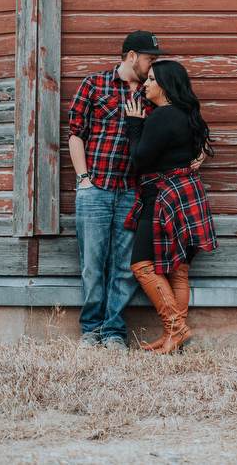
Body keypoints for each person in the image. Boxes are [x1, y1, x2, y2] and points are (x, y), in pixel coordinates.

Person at [68, 29, 168, 354]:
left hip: (131, 192)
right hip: (95, 188)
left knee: (124, 267)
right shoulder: (94, 85)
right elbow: (75, 134)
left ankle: (113, 332)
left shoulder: (152, 93)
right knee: (92, 264)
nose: (153, 64)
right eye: (149, 58)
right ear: (131, 57)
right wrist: (84, 178)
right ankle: (91, 330)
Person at [124, 59, 218, 354]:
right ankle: (171, 336)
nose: (146, 84)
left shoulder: (162, 116)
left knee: (142, 265)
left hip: (163, 197)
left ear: (165, 85)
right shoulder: (189, 115)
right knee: (178, 270)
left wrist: (135, 125)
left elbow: (140, 160)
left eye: (151, 79)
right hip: (186, 196)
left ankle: (177, 328)